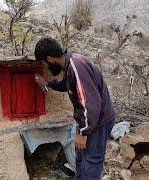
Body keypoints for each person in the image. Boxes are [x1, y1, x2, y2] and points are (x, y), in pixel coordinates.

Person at [34, 37, 115, 180]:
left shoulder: (77, 68)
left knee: (91, 162)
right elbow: (67, 85)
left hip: (98, 122)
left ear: (49, 59)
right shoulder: (71, 64)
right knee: (81, 160)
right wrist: (48, 83)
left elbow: (90, 105)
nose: (45, 68)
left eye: (43, 64)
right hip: (88, 122)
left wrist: (83, 133)